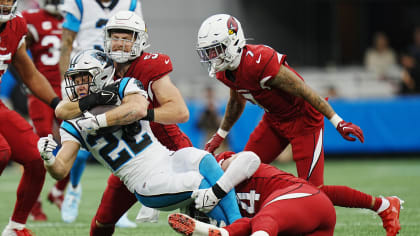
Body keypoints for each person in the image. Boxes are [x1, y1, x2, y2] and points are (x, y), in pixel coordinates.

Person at [196, 14, 402, 236]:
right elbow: (236, 100)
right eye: (208, 51)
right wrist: (220, 135)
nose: (211, 57)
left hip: (304, 121)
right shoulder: (225, 72)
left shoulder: (259, 61)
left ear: (233, 42)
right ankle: (240, 226)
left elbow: (305, 90)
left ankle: (383, 205)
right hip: (274, 120)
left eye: (215, 49)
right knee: (241, 173)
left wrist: (337, 121)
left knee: (313, 193)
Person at [41, 49, 244, 230]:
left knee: (203, 159)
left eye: (83, 78)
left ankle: (238, 224)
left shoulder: (124, 86)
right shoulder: (72, 122)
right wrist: (49, 158)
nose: (78, 85)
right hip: (145, 181)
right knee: (197, 182)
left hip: (167, 159)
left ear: (102, 75)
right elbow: (61, 170)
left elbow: (136, 109)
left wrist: (98, 121)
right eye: (75, 80)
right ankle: (231, 231)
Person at [54, 11, 194, 235]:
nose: (119, 44)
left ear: (139, 41)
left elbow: (179, 112)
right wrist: (94, 98)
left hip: (170, 149)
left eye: (126, 38)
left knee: (199, 211)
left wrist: (138, 113)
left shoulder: (150, 65)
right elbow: (63, 109)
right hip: (133, 157)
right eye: (115, 37)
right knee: (103, 221)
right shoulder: (101, 66)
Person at [54, 0, 143, 226]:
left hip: (114, 72)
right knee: (81, 138)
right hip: (84, 74)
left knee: (120, 141)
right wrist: (67, 82)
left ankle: (117, 207)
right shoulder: (79, 2)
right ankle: (73, 189)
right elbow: (66, 43)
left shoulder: (131, 3)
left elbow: (138, 38)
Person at [0, 0, 61, 235]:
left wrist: (57, 104)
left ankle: (16, 227)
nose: (5, 4)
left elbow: (30, 74)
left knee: (37, 158)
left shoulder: (16, 25)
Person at [169, 151, 336, 236]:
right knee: (251, 224)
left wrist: (216, 192)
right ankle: (223, 233)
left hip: (306, 199)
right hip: (301, 226)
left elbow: (250, 158)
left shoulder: (216, 170)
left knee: (264, 218)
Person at [21, 0, 65, 220]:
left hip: (70, 90)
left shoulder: (75, 18)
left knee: (78, 141)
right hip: (42, 89)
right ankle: (33, 203)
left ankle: (58, 191)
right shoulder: (32, 18)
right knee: (40, 146)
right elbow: (16, 53)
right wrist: (25, 77)